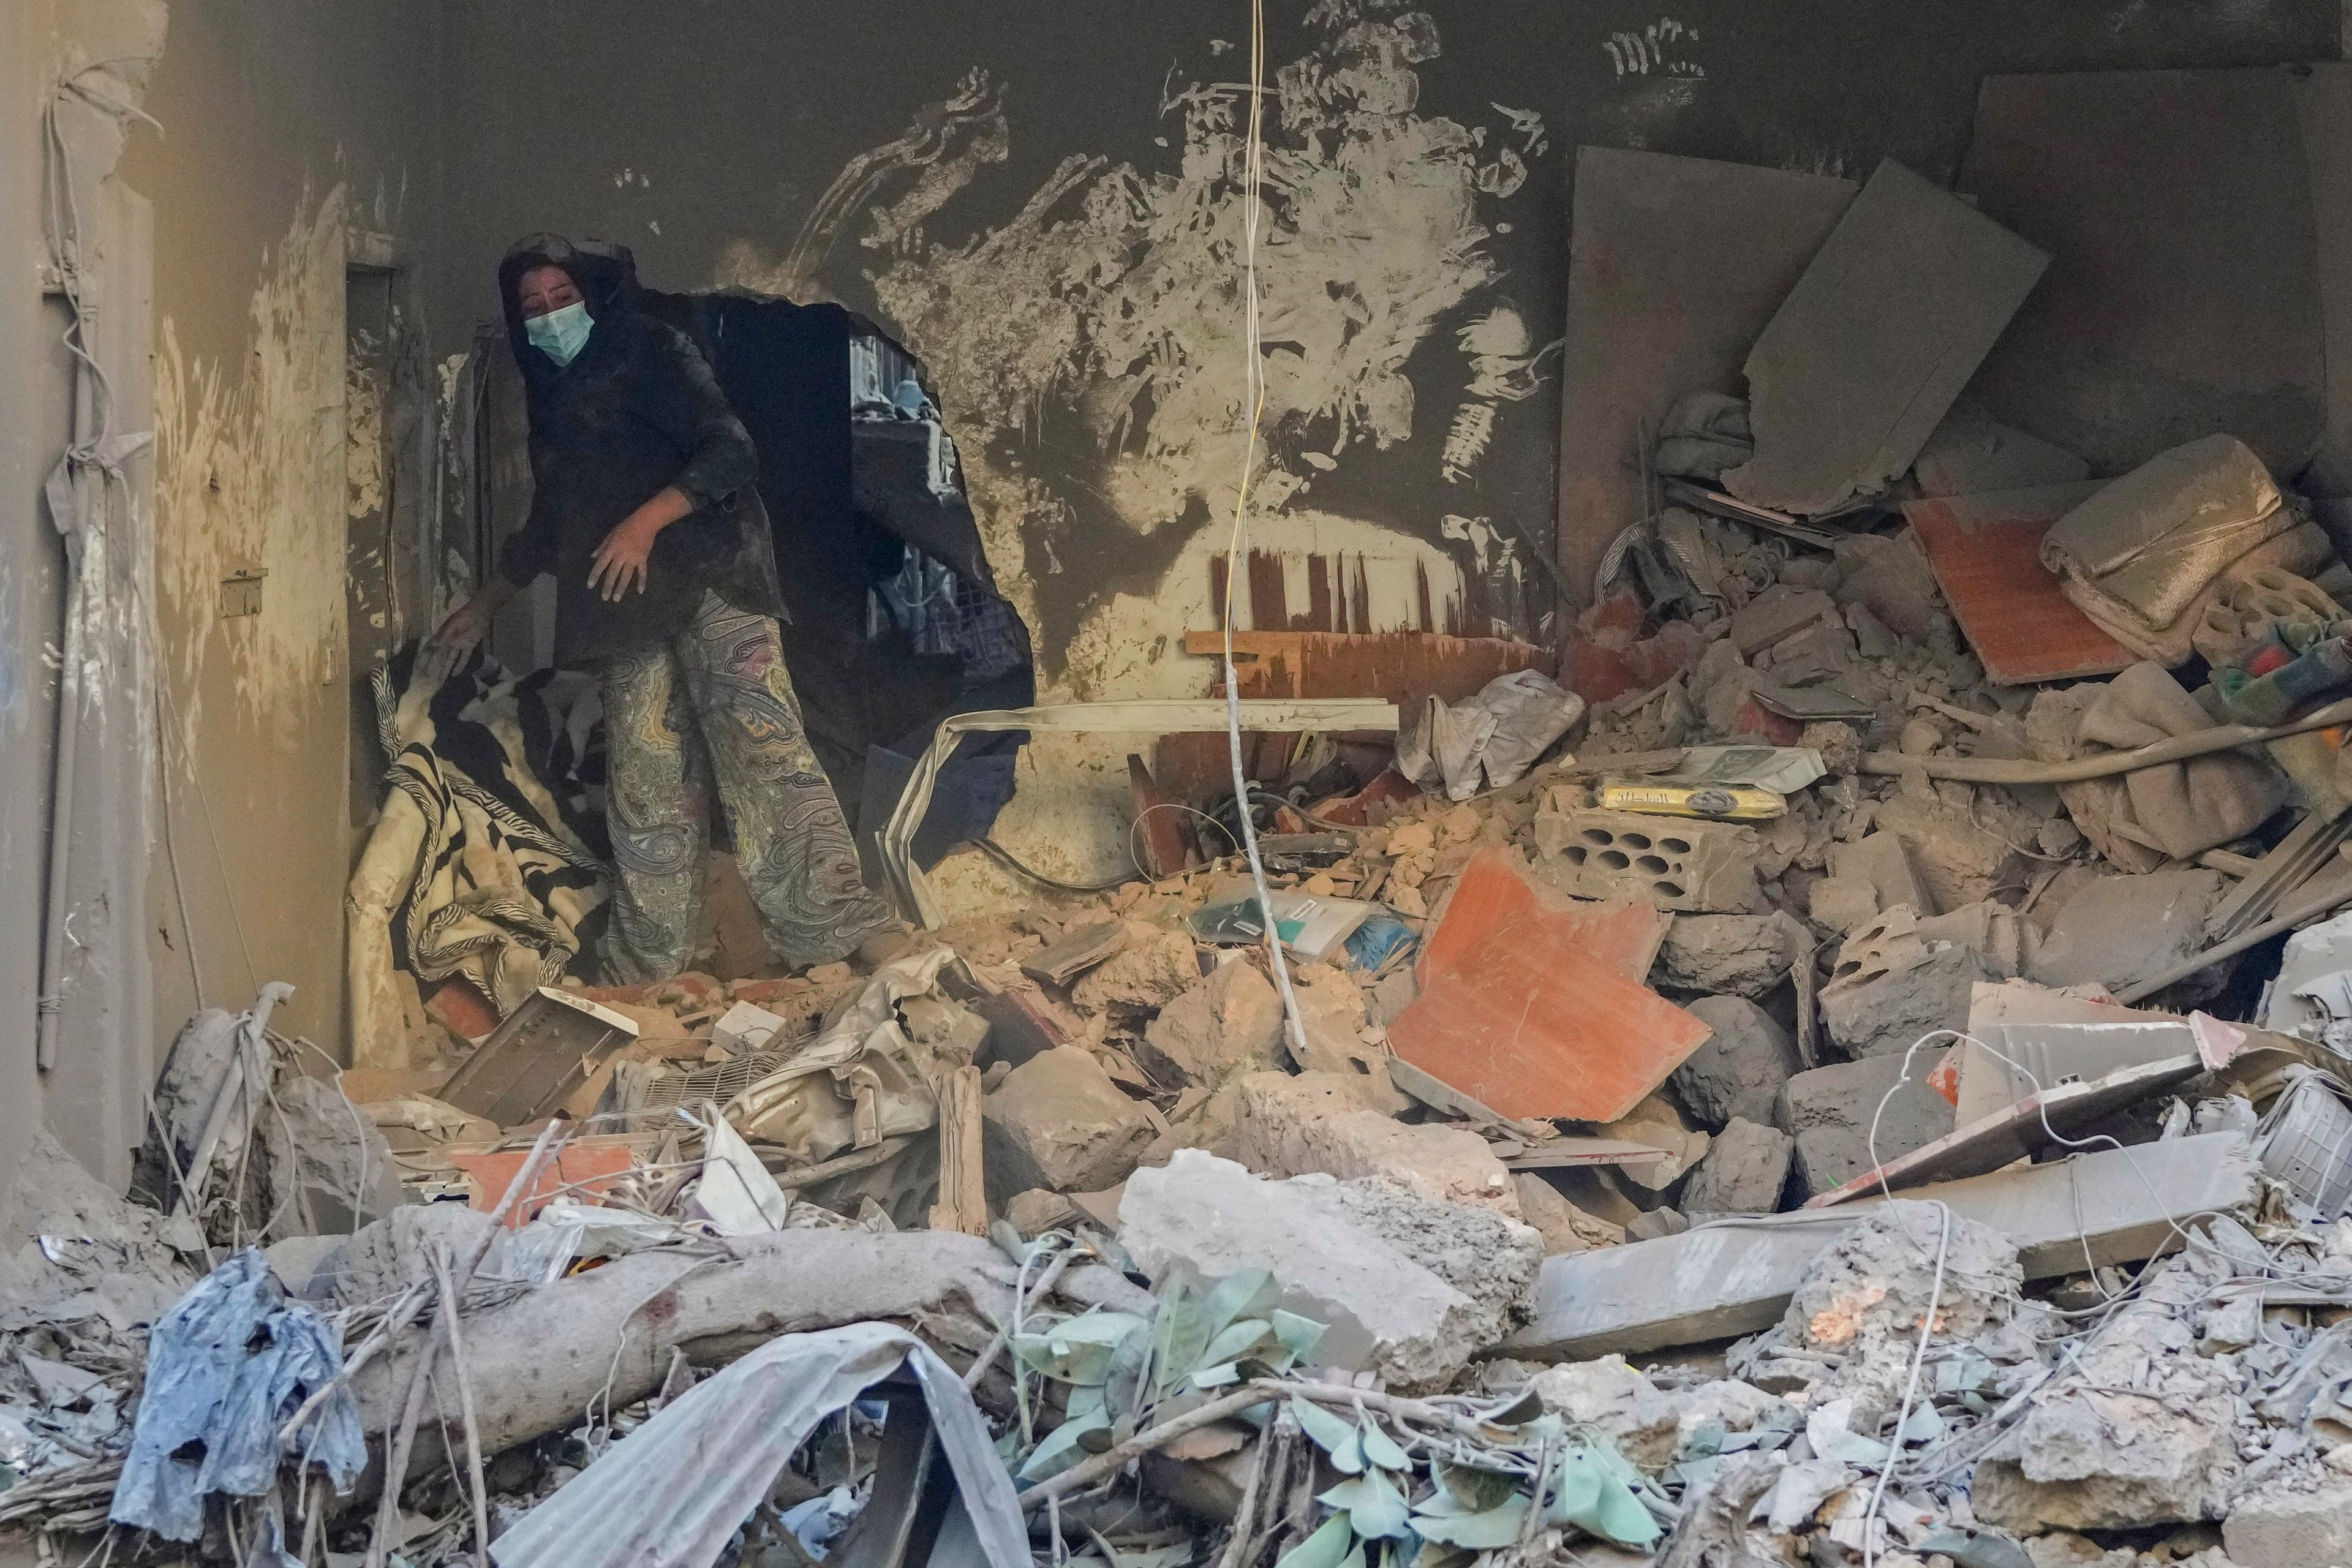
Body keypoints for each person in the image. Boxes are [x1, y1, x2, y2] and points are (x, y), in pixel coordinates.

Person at [432, 234, 896, 982]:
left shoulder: (652, 350)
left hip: (715, 580)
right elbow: (553, 523)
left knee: (764, 756)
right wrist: (486, 604)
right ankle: (651, 965)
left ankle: (840, 929)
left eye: (563, 298)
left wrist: (645, 522)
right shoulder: (552, 394)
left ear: (592, 297)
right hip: (627, 609)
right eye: (533, 307)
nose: (550, 316)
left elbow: (732, 451)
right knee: (647, 785)